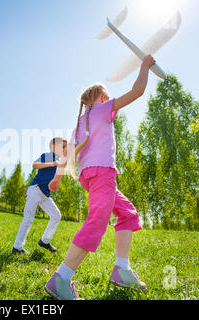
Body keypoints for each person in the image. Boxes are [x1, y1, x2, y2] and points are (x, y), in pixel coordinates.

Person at [44, 55, 157, 300]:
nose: (108, 99)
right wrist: (145, 66)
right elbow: (137, 91)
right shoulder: (104, 109)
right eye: (106, 95)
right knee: (96, 221)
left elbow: (69, 154)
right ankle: (61, 278)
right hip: (103, 174)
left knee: (128, 213)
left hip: (91, 176)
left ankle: (122, 270)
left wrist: (58, 178)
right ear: (100, 98)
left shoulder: (79, 122)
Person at [12, 138, 67, 254]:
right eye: (62, 146)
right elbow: (35, 165)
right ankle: (17, 247)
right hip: (36, 190)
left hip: (45, 194)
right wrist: (52, 163)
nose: (64, 149)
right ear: (53, 146)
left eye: (65, 147)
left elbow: (54, 181)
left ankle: (44, 241)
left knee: (56, 215)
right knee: (28, 218)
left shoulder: (60, 163)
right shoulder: (48, 156)